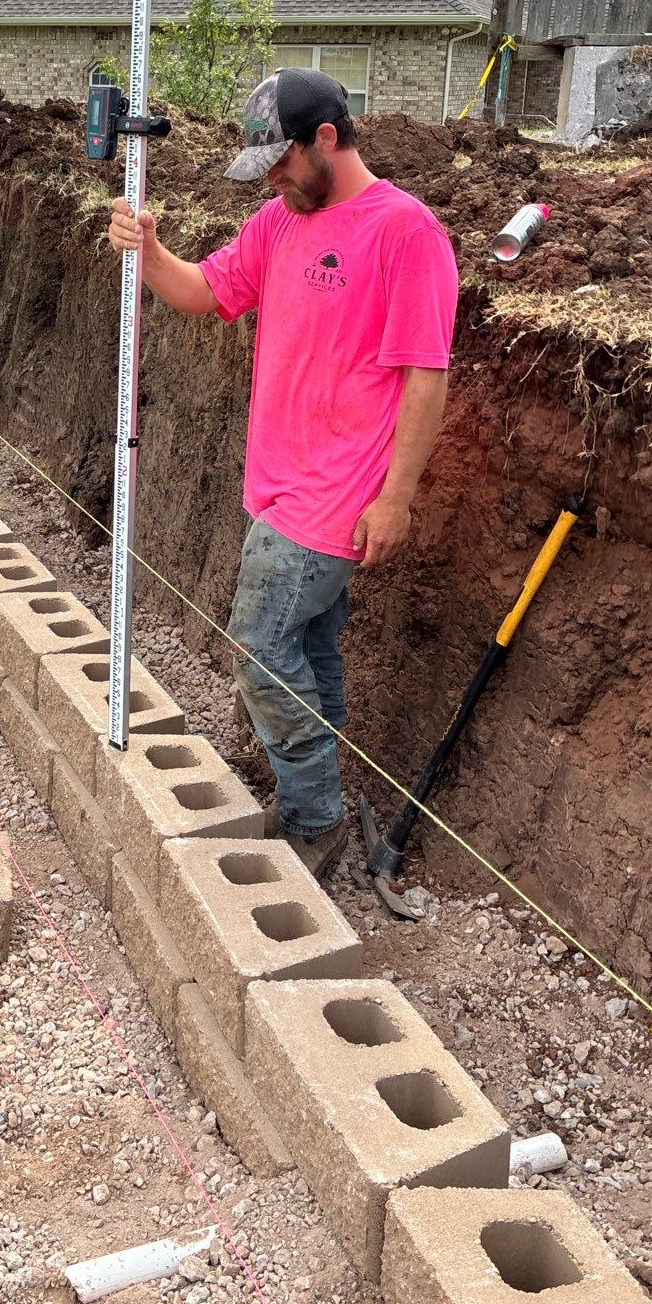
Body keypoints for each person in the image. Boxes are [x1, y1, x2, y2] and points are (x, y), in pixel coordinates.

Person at [106, 68, 459, 877]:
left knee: (261, 647)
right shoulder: (277, 222)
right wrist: (151, 251)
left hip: (334, 500)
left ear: (326, 139)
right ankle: (319, 807)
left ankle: (314, 818)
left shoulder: (406, 233)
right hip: (276, 487)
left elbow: (425, 377)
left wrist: (395, 501)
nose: (271, 177)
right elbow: (205, 292)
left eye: (282, 160)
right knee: (311, 650)